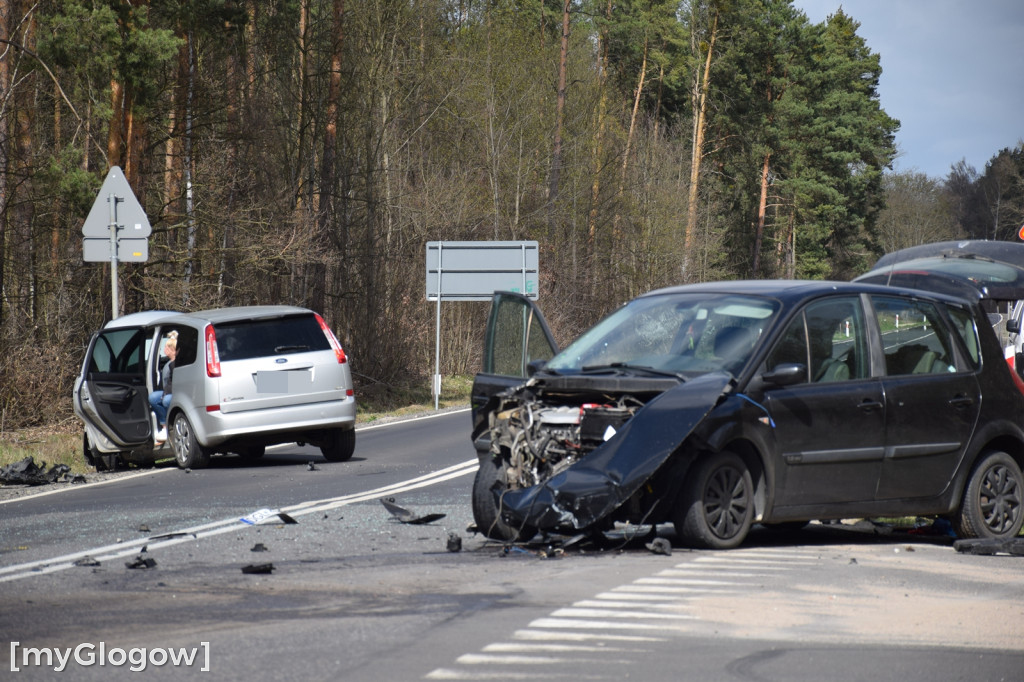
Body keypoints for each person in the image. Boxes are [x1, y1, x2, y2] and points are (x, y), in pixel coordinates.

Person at [149, 332, 178, 444]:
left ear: (173, 350)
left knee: (166, 400)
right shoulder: (169, 364)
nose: (164, 349)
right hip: (168, 391)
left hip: (176, 392)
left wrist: (165, 394)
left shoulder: (176, 364)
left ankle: (170, 427)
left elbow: (174, 384)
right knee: (153, 397)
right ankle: (164, 425)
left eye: (166, 347)